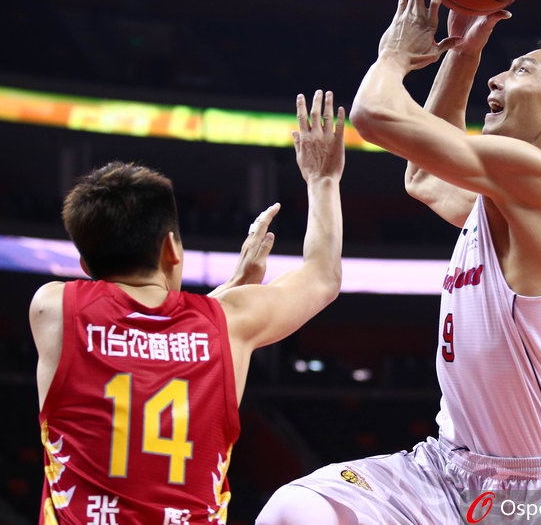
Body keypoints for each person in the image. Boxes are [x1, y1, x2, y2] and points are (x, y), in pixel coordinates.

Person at [257, 0, 541, 524]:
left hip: (534, 491)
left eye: (520, 70)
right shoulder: (508, 199)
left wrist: (395, 54)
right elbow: (423, 177)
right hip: (447, 468)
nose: (497, 80)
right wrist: (464, 50)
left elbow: (374, 115)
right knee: (295, 509)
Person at [30, 90, 345, 524]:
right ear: (171, 249)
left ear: (85, 265)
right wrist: (322, 179)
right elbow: (323, 276)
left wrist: (228, 291)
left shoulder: (53, 308)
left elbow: (138, 328)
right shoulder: (229, 323)